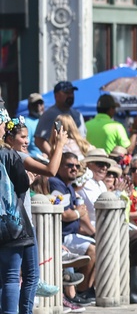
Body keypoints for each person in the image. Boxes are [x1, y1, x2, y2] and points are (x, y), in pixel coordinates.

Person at [77, 148, 137, 304]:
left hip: (111, 229)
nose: (104, 168)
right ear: (90, 164)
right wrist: (118, 194)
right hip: (99, 231)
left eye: (106, 165)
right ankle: (132, 281)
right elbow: (101, 205)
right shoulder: (88, 185)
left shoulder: (98, 183)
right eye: (100, 164)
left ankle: (134, 279)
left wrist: (118, 194)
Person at [48, 152, 97, 306]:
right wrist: (77, 212)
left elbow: (80, 212)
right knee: (93, 250)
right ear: (59, 166)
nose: (74, 169)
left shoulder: (68, 185)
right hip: (61, 236)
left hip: (71, 234)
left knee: (102, 245)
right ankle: (80, 292)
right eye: (69, 165)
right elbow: (63, 214)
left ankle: (82, 291)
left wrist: (78, 214)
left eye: (76, 166)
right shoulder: (56, 183)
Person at [0, 113, 37, 314]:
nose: (5, 128)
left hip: (11, 225)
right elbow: (51, 169)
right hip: (11, 224)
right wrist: (59, 144)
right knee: (13, 276)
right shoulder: (9, 154)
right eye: (3, 125)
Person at [35, 81, 86, 156]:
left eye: (71, 93)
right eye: (66, 93)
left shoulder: (77, 115)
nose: (70, 96)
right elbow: (39, 140)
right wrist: (55, 156)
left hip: (79, 159)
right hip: (61, 162)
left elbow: (83, 137)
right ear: (56, 96)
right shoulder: (49, 115)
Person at [24, 94, 46, 160]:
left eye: (41, 103)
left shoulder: (45, 120)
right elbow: (23, 147)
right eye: (35, 104)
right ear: (29, 106)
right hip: (36, 162)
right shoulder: (26, 123)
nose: (39, 106)